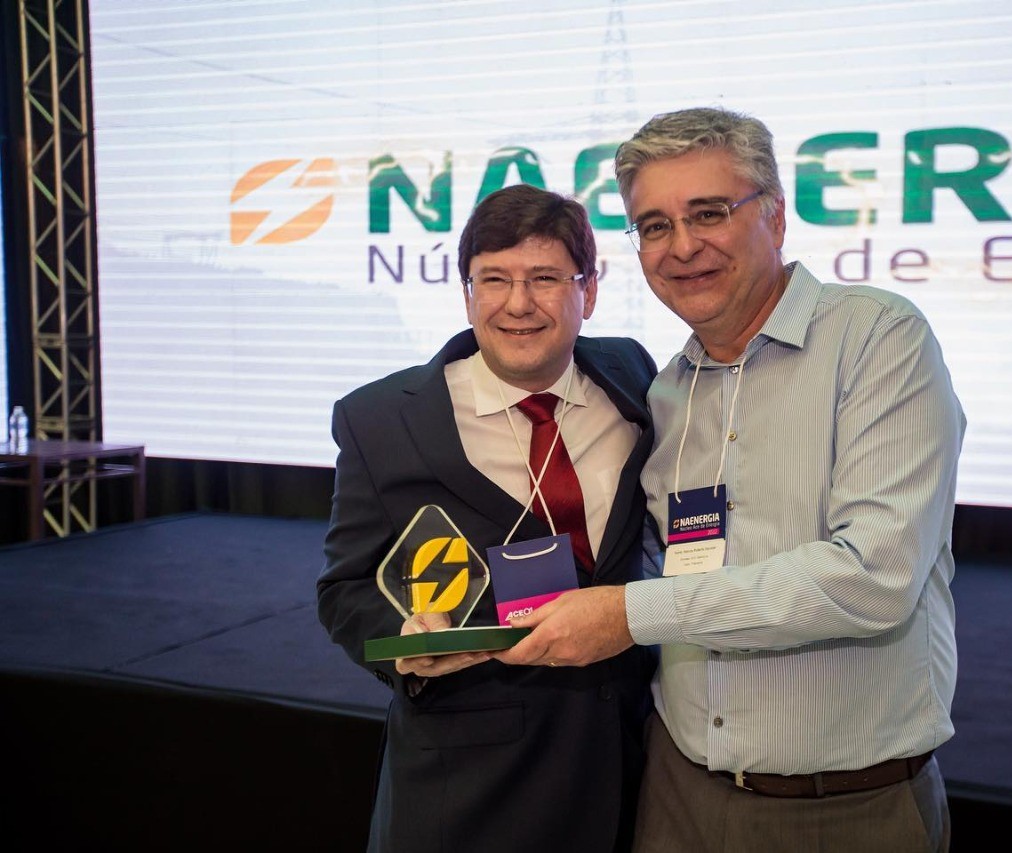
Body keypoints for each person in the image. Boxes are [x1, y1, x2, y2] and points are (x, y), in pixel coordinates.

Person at [496, 107, 966, 852]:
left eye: (709, 212)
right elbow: (658, 562)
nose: (683, 246)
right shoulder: (666, 391)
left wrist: (630, 614)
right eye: (654, 225)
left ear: (775, 216)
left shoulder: (877, 338)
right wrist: (470, 621)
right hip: (676, 791)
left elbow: (875, 578)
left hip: (843, 811)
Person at [317, 183, 657, 853]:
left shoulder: (631, 375)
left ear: (588, 290)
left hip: (627, 768)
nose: (518, 303)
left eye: (545, 278)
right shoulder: (382, 420)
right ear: (467, 292)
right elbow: (344, 589)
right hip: (469, 788)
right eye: (494, 279)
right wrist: (407, 641)